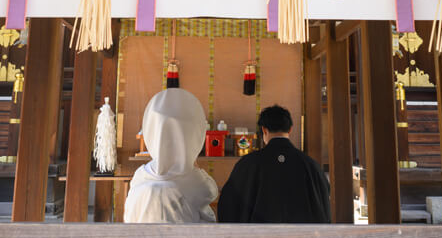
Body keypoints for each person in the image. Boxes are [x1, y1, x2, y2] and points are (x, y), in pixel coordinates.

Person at [217, 104, 331, 223]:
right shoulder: (310, 165)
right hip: (301, 234)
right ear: (290, 129)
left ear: (264, 130)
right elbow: (323, 203)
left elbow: (229, 203)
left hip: (258, 234)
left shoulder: (248, 163)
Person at [124, 88, 219, 223]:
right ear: (194, 135)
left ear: (152, 131)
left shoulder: (140, 175)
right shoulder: (196, 181)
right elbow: (211, 192)